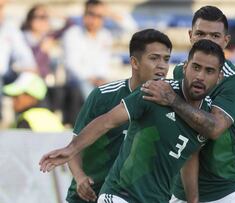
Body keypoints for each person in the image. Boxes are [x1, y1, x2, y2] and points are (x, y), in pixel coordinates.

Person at [39, 39, 224, 203]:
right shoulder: (155, 92)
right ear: (185, 67)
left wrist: (193, 199)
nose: (200, 76)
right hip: (118, 196)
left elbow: (189, 155)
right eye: (196, 67)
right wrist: (71, 151)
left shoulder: (206, 117)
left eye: (209, 71)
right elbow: (107, 121)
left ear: (219, 77)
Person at [141, 6, 235, 203]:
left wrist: (173, 100)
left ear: (225, 41)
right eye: (200, 34)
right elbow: (183, 132)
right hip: (183, 190)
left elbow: (215, 128)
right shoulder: (179, 73)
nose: (207, 41)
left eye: (215, 35)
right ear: (191, 36)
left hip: (226, 191)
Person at [64, 29, 172, 203]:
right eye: (154, 58)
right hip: (89, 196)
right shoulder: (102, 96)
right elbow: (75, 146)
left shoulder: (171, 103)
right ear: (134, 63)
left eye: (166, 59)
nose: (162, 66)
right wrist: (80, 177)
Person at [62, 0, 113, 125]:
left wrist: (100, 79)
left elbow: (104, 65)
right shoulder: (72, 34)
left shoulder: (106, 35)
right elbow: (72, 65)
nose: (94, 19)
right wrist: (92, 78)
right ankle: (97, 123)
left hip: (98, 80)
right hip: (77, 81)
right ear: (84, 15)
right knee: (90, 89)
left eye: (99, 16)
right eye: (91, 14)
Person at [0, 0, 37, 121]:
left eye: (1, 7)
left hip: (5, 77)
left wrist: (26, 67)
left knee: (33, 81)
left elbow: (25, 57)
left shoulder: (9, 28)